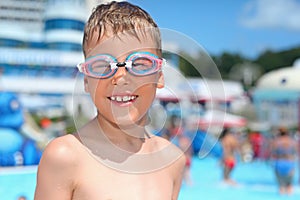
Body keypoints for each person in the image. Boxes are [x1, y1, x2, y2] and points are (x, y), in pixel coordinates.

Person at [34, 1, 186, 200]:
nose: (121, 77)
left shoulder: (172, 160)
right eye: (103, 65)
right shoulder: (65, 156)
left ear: (159, 76)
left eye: (139, 64)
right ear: (87, 80)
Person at [271, 127, 297, 195]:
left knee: (281, 187)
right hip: (289, 162)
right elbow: (296, 151)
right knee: (289, 186)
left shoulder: (276, 141)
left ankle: (282, 190)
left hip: (279, 162)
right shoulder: (292, 141)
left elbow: (272, 153)